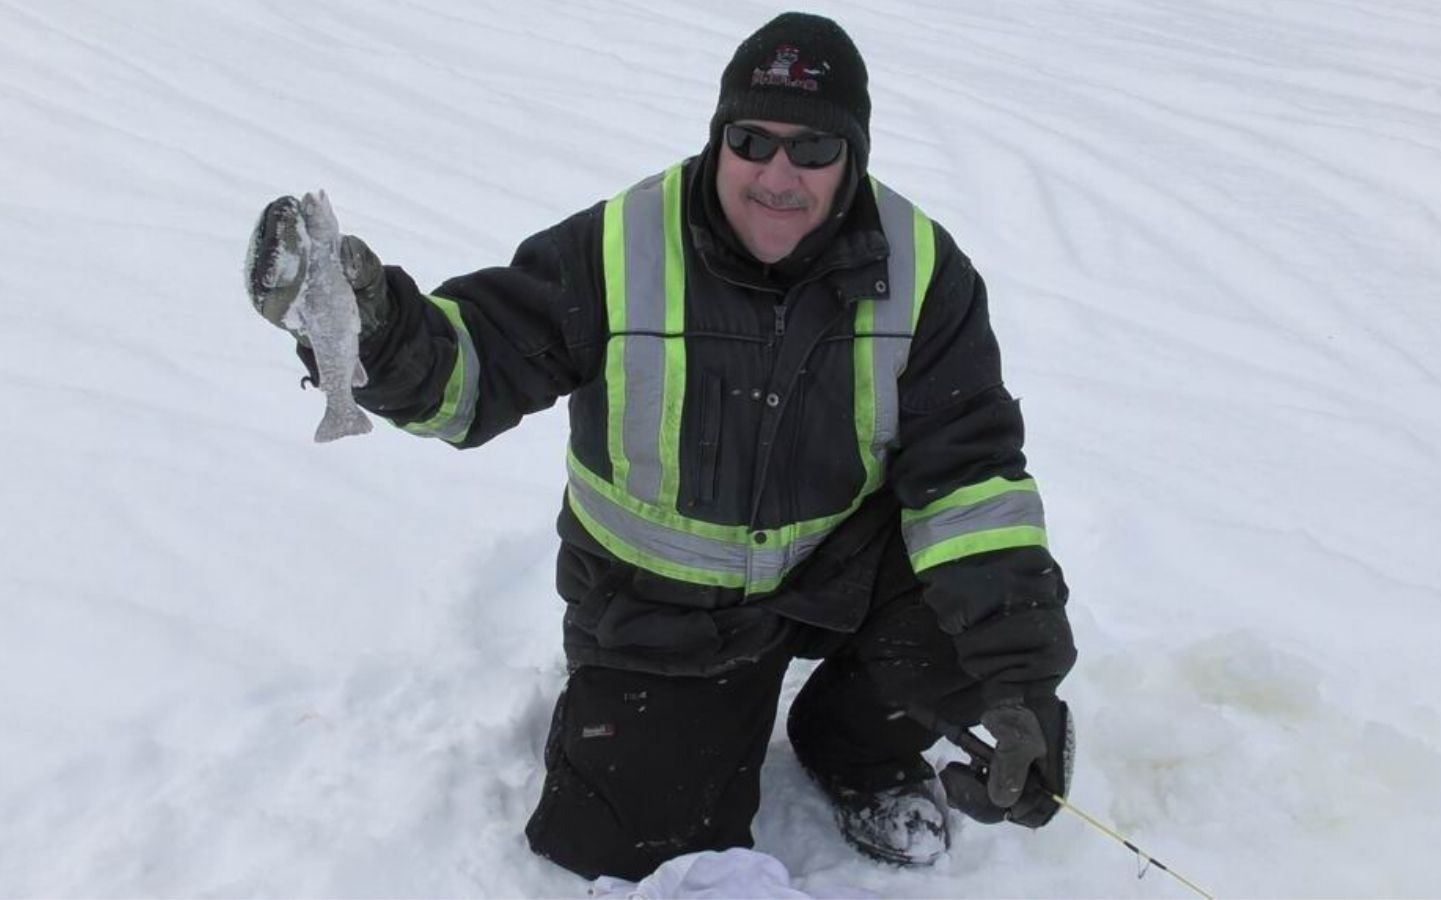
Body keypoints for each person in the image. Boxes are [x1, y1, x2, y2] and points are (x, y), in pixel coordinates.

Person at [246, 11, 1077, 882]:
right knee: (623, 846)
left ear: (853, 158)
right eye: (752, 139)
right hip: (667, 611)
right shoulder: (619, 246)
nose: (778, 173)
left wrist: (1022, 684)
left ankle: (856, 746)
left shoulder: (922, 270)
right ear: (719, 139)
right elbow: (473, 373)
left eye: (815, 148)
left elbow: (971, 481)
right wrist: (373, 332)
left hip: (837, 574)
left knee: (976, 614)